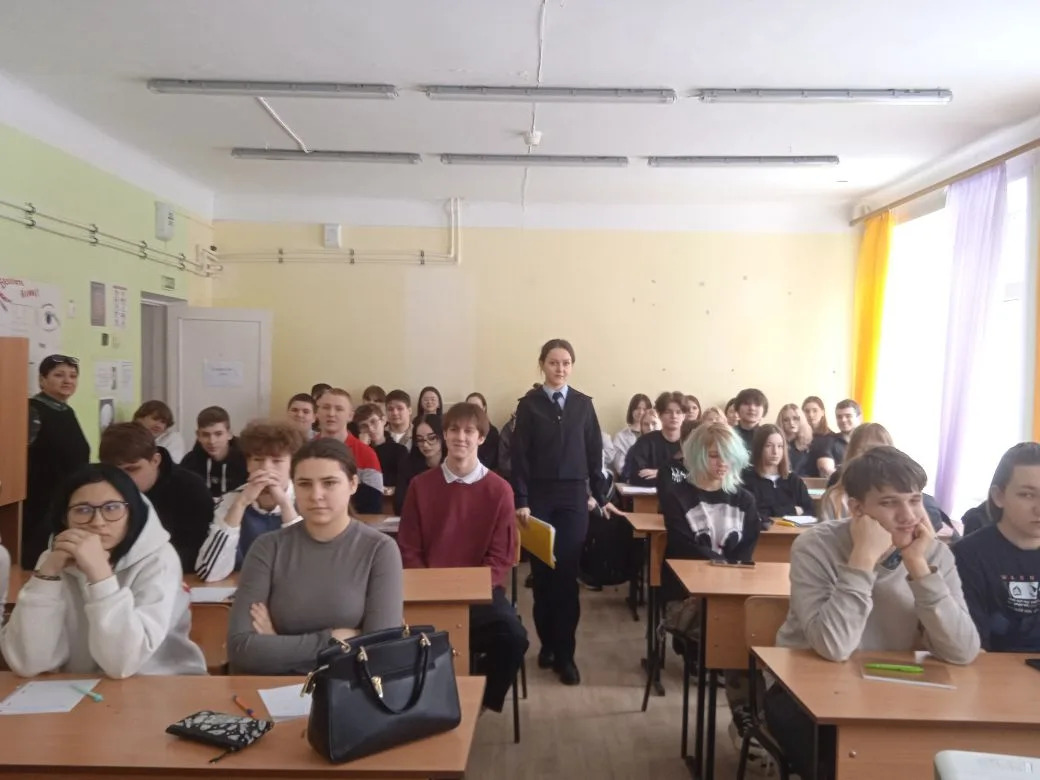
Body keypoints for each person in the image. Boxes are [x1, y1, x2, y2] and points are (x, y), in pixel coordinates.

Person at [767, 446, 980, 780]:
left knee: (942, 756)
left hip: (892, 686)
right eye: (890, 503)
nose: (908, 516)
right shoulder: (815, 547)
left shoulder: (933, 553)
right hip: (805, 691)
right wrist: (864, 558)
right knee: (841, 764)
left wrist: (918, 567)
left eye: (914, 500)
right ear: (857, 509)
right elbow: (834, 647)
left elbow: (962, 651)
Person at [0, 465, 206, 677]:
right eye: (82, 510)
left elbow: (122, 664)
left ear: (132, 513)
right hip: (79, 686)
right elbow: (28, 663)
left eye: (112, 508)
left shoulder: (159, 559)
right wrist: (47, 574)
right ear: (64, 518)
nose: (98, 522)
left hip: (161, 684)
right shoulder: (54, 558)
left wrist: (100, 577)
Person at [227, 438, 404, 675]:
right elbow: (241, 649)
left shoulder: (379, 550)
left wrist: (276, 642)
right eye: (304, 484)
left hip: (349, 689)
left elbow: (380, 653)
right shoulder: (267, 547)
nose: (316, 495)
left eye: (329, 483)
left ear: (353, 484)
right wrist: (334, 641)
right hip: (271, 689)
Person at [398, 402, 528, 712]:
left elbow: (500, 556)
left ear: (481, 438)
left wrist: (467, 591)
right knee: (392, 637)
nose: (461, 437)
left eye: (469, 431)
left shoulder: (500, 490)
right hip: (428, 593)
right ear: (444, 435)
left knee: (513, 637)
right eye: (454, 430)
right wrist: (431, 589)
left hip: (479, 596)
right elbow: (409, 548)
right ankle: (415, 705)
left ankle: (479, 702)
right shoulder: (420, 486)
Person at [511, 339, 625, 686]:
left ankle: (566, 654)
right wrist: (521, 498)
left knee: (566, 576)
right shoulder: (528, 405)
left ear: (571, 366)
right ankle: (547, 644)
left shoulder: (583, 404)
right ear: (542, 365)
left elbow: (594, 455)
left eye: (565, 363)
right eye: (553, 362)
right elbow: (519, 457)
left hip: (574, 498)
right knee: (543, 577)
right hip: (539, 498)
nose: (559, 368)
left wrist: (601, 496)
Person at [660, 423, 761, 762]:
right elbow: (685, 549)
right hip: (685, 600)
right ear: (698, 456)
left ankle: (762, 717)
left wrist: (726, 582)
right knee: (738, 629)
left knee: (757, 625)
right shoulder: (677, 497)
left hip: (730, 597)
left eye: (728, 456)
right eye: (714, 456)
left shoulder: (745, 500)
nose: (722, 463)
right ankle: (747, 714)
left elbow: (744, 557)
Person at [953, 442, 1040, 652]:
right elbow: (974, 646)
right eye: (1027, 495)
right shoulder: (967, 555)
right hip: (990, 667)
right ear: (999, 496)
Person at [195, 420, 304, 582]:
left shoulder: (307, 500)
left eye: (277, 461)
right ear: (248, 465)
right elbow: (208, 572)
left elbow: (307, 570)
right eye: (258, 460)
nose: (266, 468)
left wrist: (285, 505)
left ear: (292, 466)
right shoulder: (231, 501)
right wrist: (240, 505)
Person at [98, 423, 213, 573]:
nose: (123, 479)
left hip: (173, 574)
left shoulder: (191, 488)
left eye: (132, 469)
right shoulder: (100, 489)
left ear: (155, 461)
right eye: (115, 472)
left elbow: (198, 551)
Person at [23, 355, 90, 569]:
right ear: (42, 380)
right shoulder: (32, 410)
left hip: (66, 500)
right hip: (39, 503)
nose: (67, 380)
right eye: (59, 375)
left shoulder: (66, 410)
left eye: (73, 376)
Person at [315, 388, 384, 513]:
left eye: (339, 409)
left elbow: (373, 504)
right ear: (317, 412)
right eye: (326, 407)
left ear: (350, 416)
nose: (331, 413)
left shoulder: (366, 454)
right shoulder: (304, 451)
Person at [818, 422, 894, 521]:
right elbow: (826, 529)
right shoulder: (835, 497)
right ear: (852, 455)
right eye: (865, 450)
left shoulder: (901, 496)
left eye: (880, 451)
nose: (873, 457)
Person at [741, 424, 813, 524]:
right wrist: (792, 510)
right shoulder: (746, 479)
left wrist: (772, 511)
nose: (775, 452)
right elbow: (754, 514)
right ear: (759, 448)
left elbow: (810, 512)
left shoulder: (794, 480)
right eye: (769, 446)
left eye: (780, 446)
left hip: (793, 532)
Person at [180, 406, 248, 500]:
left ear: (229, 434)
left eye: (218, 434)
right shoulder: (190, 462)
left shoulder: (247, 460)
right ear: (198, 435)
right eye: (205, 435)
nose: (212, 441)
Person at [622, 391, 687, 486]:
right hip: (649, 495)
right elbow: (636, 476)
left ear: (684, 416)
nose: (674, 416)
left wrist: (661, 473)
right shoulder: (645, 442)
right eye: (668, 412)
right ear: (660, 415)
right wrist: (675, 476)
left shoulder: (691, 443)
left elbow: (696, 478)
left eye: (678, 412)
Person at [354, 402, 408, 497]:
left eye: (373, 422)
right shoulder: (354, 452)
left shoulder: (399, 451)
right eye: (364, 426)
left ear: (383, 420)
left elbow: (404, 484)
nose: (370, 429)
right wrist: (362, 448)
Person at [394, 414, 445, 514]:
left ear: (443, 436)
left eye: (432, 438)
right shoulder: (407, 464)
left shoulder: (453, 464)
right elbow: (399, 505)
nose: (425, 444)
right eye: (420, 440)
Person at [807, 398, 861, 478]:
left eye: (848, 416)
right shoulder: (828, 441)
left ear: (859, 418)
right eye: (839, 417)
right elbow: (826, 470)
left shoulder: (868, 441)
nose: (843, 420)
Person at [611, 393, 652, 477]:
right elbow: (620, 466)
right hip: (629, 480)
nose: (641, 412)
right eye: (637, 408)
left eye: (644, 409)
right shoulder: (621, 436)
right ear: (631, 410)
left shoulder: (656, 434)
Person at [777, 403, 814, 477]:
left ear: (801, 420)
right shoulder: (777, 443)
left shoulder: (809, 443)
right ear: (781, 423)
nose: (791, 423)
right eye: (786, 420)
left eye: (795, 418)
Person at [466, 392, 500, 470]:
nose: (473, 410)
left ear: (484, 408)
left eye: (477, 406)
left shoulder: (492, 432)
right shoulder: (461, 431)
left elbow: (490, 461)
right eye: (469, 407)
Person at [732, 388, 767, 452]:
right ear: (738, 408)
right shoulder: (729, 434)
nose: (752, 408)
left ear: (764, 410)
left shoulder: (768, 436)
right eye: (746, 404)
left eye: (757, 404)